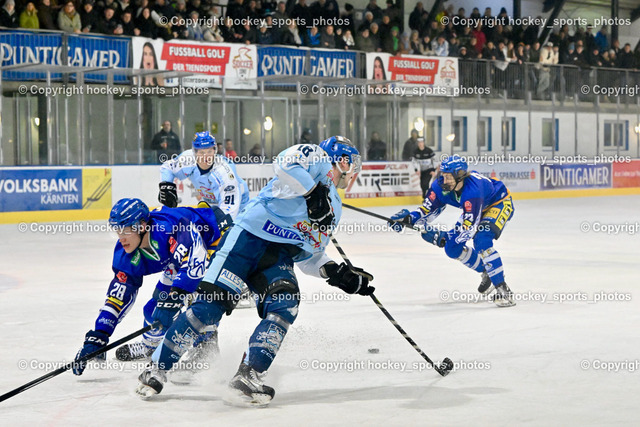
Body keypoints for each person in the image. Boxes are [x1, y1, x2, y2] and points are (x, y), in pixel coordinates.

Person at [135, 136, 374, 405]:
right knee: (208, 308)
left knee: (285, 305)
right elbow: (284, 162)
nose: (352, 170)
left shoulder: (335, 207)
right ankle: (157, 369)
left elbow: (310, 254)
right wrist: (312, 192)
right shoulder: (316, 160)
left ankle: (248, 374)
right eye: (349, 162)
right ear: (338, 160)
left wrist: (337, 273)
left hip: (278, 255)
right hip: (248, 237)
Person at [72, 198, 230, 375]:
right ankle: (150, 346)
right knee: (153, 310)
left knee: (198, 296)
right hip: (178, 257)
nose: (121, 237)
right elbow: (118, 297)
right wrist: (99, 336)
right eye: (117, 230)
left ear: (141, 226)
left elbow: (194, 265)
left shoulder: (170, 230)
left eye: (125, 229)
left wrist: (174, 300)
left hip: (215, 236)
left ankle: (205, 347)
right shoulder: (125, 255)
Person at [388, 155, 515, 307]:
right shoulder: (439, 186)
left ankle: (503, 290)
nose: (444, 180)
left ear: (460, 177)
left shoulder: (472, 192)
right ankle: (487, 271)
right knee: (451, 248)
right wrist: (409, 219)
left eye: (449, 177)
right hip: (476, 209)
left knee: (482, 240)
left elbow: (469, 228)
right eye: (443, 175)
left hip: (498, 203)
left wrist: (443, 236)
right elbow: (427, 210)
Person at [158, 131, 250, 219]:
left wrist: (223, 225)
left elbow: (230, 209)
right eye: (201, 152)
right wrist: (167, 186)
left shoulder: (224, 171)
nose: (206, 157)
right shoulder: (187, 159)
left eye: (209, 151)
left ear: (215, 151)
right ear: (195, 153)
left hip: (237, 204)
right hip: (211, 203)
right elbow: (167, 167)